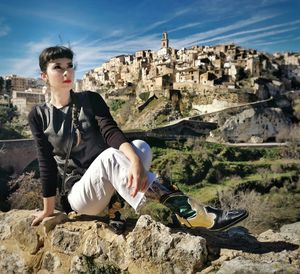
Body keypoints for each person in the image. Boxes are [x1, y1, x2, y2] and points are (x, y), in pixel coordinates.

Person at [28, 46, 248, 233]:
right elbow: (46, 163)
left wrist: (134, 161)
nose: (66, 71)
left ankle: (117, 207)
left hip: (108, 179)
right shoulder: (39, 115)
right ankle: (193, 212)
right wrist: (48, 209)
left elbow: (110, 131)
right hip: (80, 194)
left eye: (69, 65)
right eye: (57, 67)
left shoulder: (91, 99)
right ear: (44, 76)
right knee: (112, 157)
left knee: (140, 148)